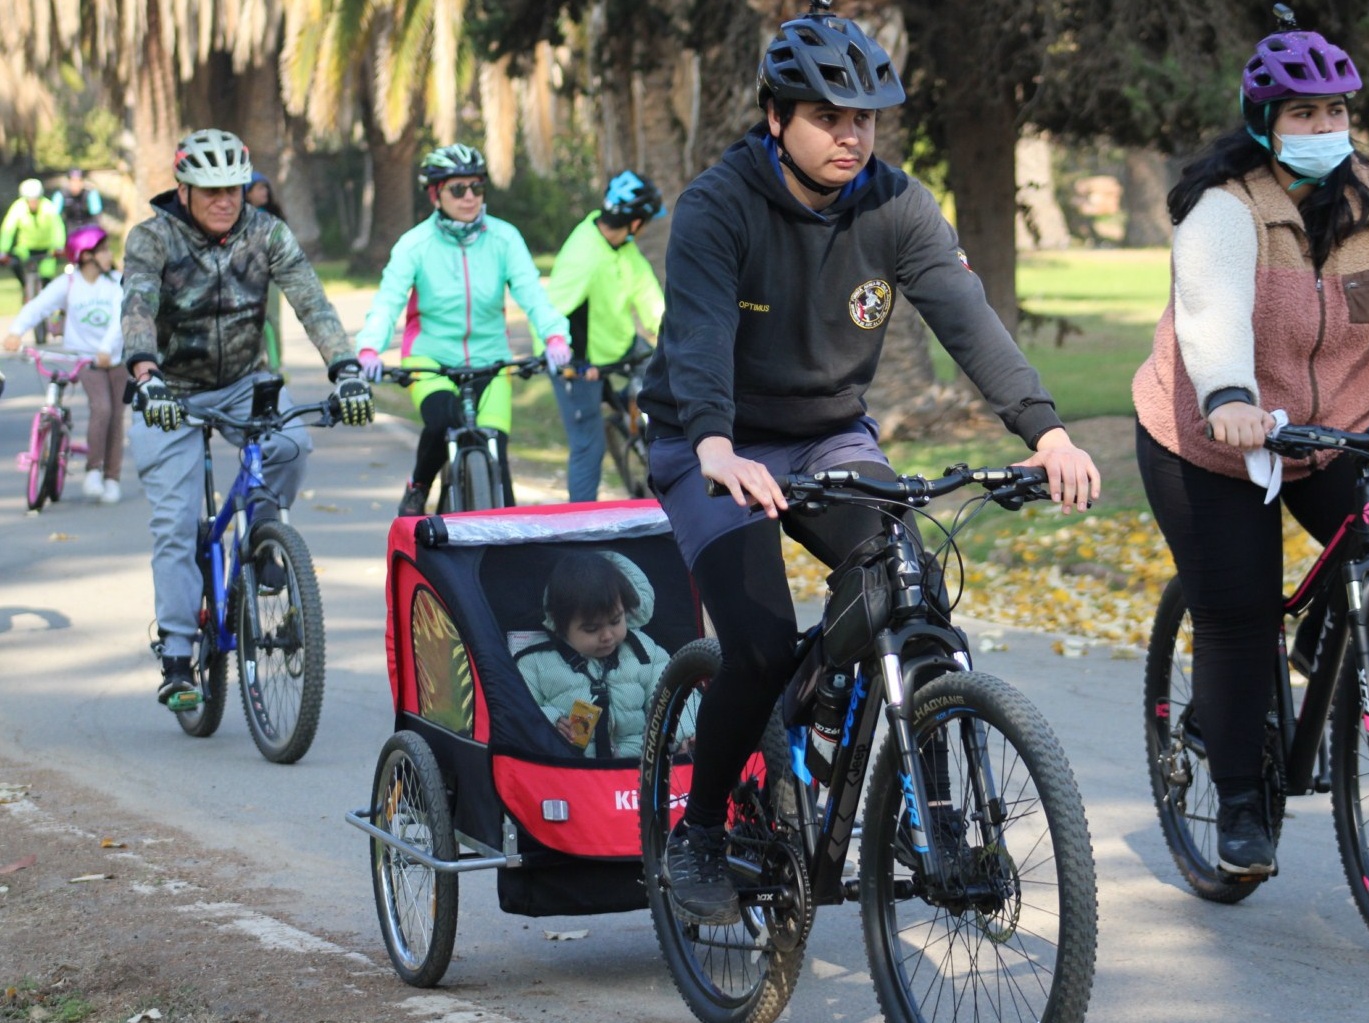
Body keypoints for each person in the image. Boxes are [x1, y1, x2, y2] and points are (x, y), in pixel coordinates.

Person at [637, 2, 1099, 925]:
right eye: (827, 118)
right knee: (760, 641)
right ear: (776, 117)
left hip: (827, 433)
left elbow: (967, 320)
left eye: (864, 120)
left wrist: (1044, 431)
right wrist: (717, 445)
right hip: (708, 436)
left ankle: (907, 779)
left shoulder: (896, 204)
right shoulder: (718, 205)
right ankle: (696, 831)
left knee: (907, 583)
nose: (851, 138)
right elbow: (696, 339)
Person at [1132, 11, 1369, 880]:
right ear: (1263, 123)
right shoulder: (1223, 208)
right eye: (1302, 114)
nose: (1323, 130)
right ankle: (1239, 801)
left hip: (1342, 425)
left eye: (1335, 112)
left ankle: (1328, 648)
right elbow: (1209, 311)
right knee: (1237, 607)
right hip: (1212, 439)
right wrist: (1227, 395)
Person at [121, 127, 373, 706]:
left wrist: (346, 369)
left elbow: (312, 300)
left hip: (243, 382)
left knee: (294, 445)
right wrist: (146, 375)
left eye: (233, 188)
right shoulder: (152, 239)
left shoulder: (266, 234)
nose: (224, 201)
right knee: (176, 522)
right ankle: (180, 654)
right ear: (182, 190)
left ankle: (263, 541)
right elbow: (137, 307)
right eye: (210, 190)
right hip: (169, 394)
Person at [354, 143, 570, 515]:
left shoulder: (505, 238)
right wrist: (370, 349)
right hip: (431, 359)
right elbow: (389, 300)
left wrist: (555, 337)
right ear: (436, 194)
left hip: (492, 361)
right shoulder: (414, 245)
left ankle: (507, 553)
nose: (469, 197)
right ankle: (418, 487)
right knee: (443, 421)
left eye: (476, 187)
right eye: (458, 189)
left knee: (498, 459)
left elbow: (533, 294)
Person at [539, 170, 667, 502]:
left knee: (668, 398)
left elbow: (649, 296)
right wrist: (578, 362)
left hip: (620, 348)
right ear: (634, 222)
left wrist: (672, 333)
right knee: (588, 447)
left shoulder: (622, 246)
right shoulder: (583, 254)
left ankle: (634, 421)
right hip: (577, 359)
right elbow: (556, 313)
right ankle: (579, 529)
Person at [2, 225, 128, 503]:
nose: (109, 255)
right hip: (83, 357)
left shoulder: (116, 282)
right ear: (85, 256)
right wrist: (16, 330)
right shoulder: (69, 283)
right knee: (101, 408)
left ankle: (111, 477)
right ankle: (94, 469)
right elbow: (40, 305)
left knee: (116, 416)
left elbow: (123, 316)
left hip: (115, 357)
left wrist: (107, 349)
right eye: (103, 250)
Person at [517, 550, 676, 759]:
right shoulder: (535, 662)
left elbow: (676, 697)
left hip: (639, 768)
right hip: (570, 769)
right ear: (561, 626)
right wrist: (550, 720)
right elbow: (517, 710)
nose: (608, 636)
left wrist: (682, 735)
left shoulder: (644, 653)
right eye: (592, 629)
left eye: (616, 621)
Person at [244, 172, 287, 372]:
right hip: (245, 279)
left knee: (271, 321)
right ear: (247, 192)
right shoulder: (238, 218)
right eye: (259, 188)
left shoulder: (271, 217)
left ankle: (275, 365)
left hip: (268, 278)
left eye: (266, 187)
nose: (265, 192)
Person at [0, 178, 67, 291]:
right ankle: (25, 288)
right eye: (30, 200)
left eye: (35, 200)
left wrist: (59, 246)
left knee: (47, 278)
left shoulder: (48, 207)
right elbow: (8, 229)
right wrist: (3, 250)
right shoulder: (18, 207)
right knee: (16, 264)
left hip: (47, 249)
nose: (33, 203)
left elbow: (58, 227)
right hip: (25, 249)